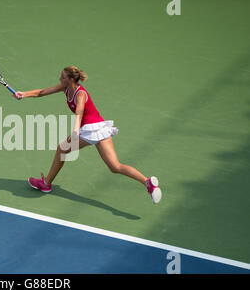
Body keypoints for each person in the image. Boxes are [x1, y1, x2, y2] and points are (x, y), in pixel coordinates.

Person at [12, 66, 162, 204]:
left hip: (91, 129)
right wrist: (23, 94)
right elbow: (41, 92)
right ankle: (147, 183)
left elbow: (79, 112)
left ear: (71, 79)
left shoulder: (80, 94)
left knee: (62, 149)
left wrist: (76, 131)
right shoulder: (65, 87)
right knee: (115, 166)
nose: (59, 79)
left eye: (62, 77)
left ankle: (46, 184)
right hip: (100, 128)